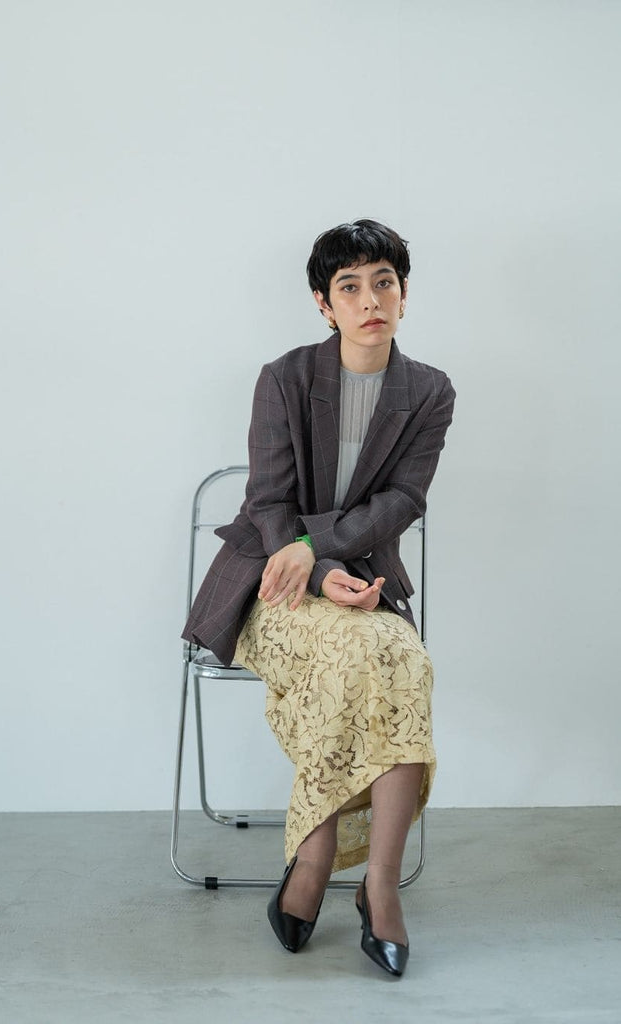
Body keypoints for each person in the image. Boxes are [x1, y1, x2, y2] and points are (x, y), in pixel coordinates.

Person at [182, 219, 455, 977]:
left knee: (401, 658)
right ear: (323, 304)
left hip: (363, 584)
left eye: (384, 283)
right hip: (270, 582)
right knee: (348, 657)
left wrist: (324, 551)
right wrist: (306, 561)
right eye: (349, 286)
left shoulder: (429, 391)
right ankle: (316, 855)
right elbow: (268, 502)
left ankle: (378, 883)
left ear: (404, 293)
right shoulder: (284, 377)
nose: (370, 300)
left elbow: (403, 500)